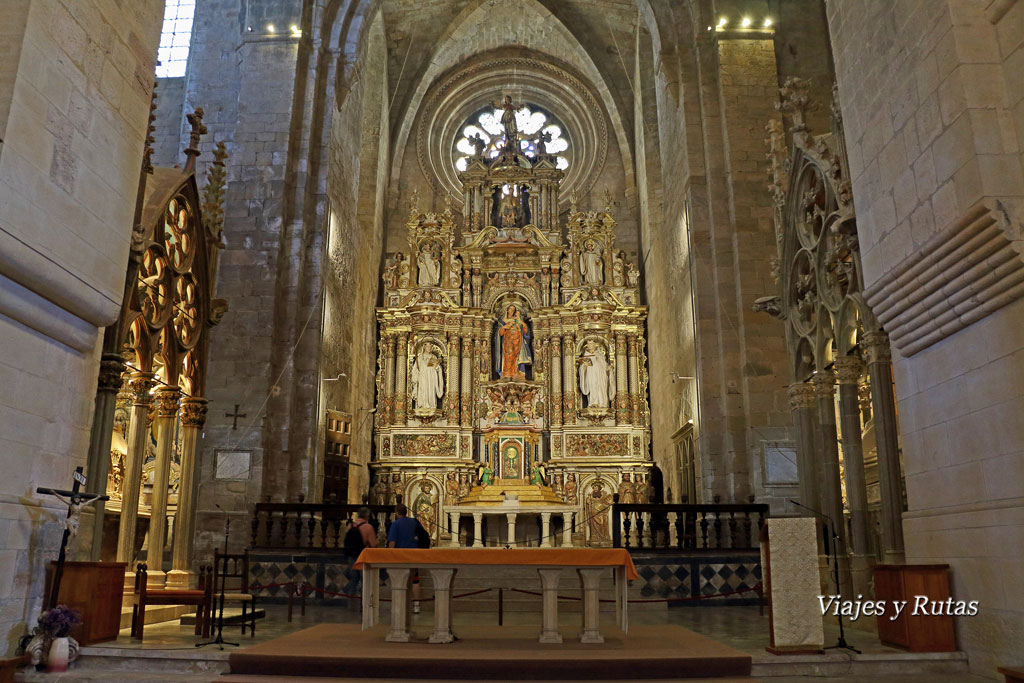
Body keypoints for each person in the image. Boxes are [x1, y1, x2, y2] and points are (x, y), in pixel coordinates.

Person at [387, 504, 429, 613]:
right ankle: (416, 605)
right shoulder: (414, 522)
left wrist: (389, 555)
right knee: (415, 580)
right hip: (413, 554)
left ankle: (400, 604)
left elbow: (392, 541)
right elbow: (424, 535)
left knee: (400, 580)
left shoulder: (395, 524)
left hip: (400, 556)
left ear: (396, 513)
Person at [343, 507, 378, 602]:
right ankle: (364, 603)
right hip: (363, 556)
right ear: (367, 515)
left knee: (353, 580)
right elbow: (373, 545)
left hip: (351, 556)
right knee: (364, 581)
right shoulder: (368, 527)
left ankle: (350, 601)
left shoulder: (351, 525)